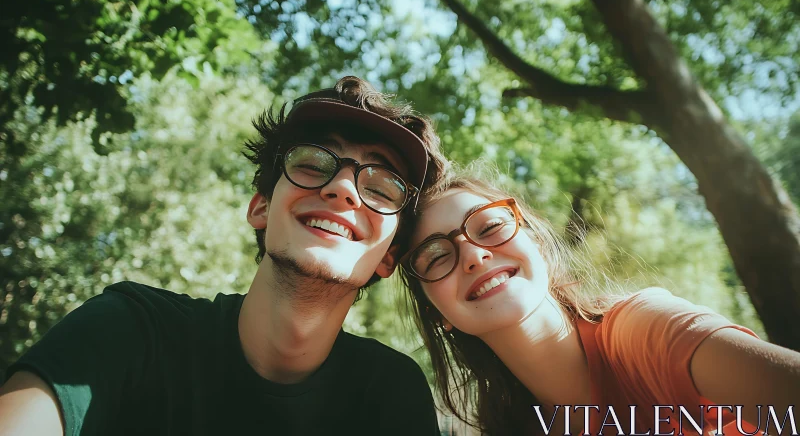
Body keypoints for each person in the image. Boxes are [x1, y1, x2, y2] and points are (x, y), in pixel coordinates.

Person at [0, 76, 449, 436]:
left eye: (380, 187)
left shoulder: (389, 392)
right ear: (261, 207)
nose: (342, 188)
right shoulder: (131, 329)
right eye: (313, 163)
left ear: (388, 257)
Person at [397, 165, 800, 436]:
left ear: (537, 241)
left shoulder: (643, 330)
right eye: (436, 257)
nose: (473, 254)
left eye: (490, 227)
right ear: (436, 313)